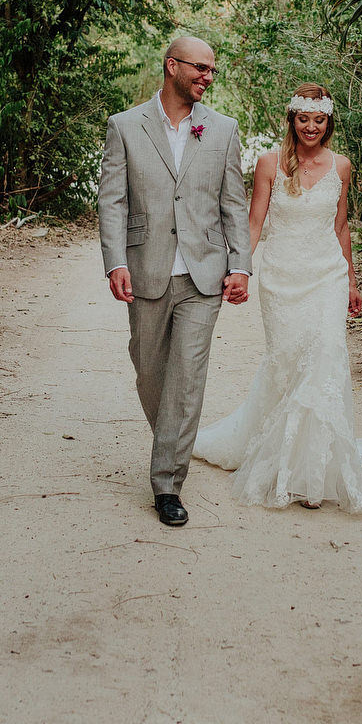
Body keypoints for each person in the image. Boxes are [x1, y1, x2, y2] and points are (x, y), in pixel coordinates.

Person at [193, 83, 362, 512]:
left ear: (329, 122)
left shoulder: (342, 166)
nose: (311, 127)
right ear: (292, 120)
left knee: (326, 356)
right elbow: (255, 221)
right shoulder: (269, 164)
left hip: (326, 278)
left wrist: (352, 281)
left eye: (319, 120)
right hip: (281, 278)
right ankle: (278, 452)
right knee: (286, 363)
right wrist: (239, 270)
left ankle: (311, 473)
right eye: (303, 119)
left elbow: (341, 228)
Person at [96, 37, 252, 527]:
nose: (208, 76)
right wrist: (114, 261)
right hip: (146, 269)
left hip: (205, 275)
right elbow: (112, 200)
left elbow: (234, 204)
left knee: (187, 379)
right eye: (201, 68)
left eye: (212, 70)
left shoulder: (223, 130)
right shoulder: (125, 126)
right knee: (150, 371)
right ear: (173, 66)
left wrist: (241, 266)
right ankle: (172, 436)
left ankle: (167, 483)